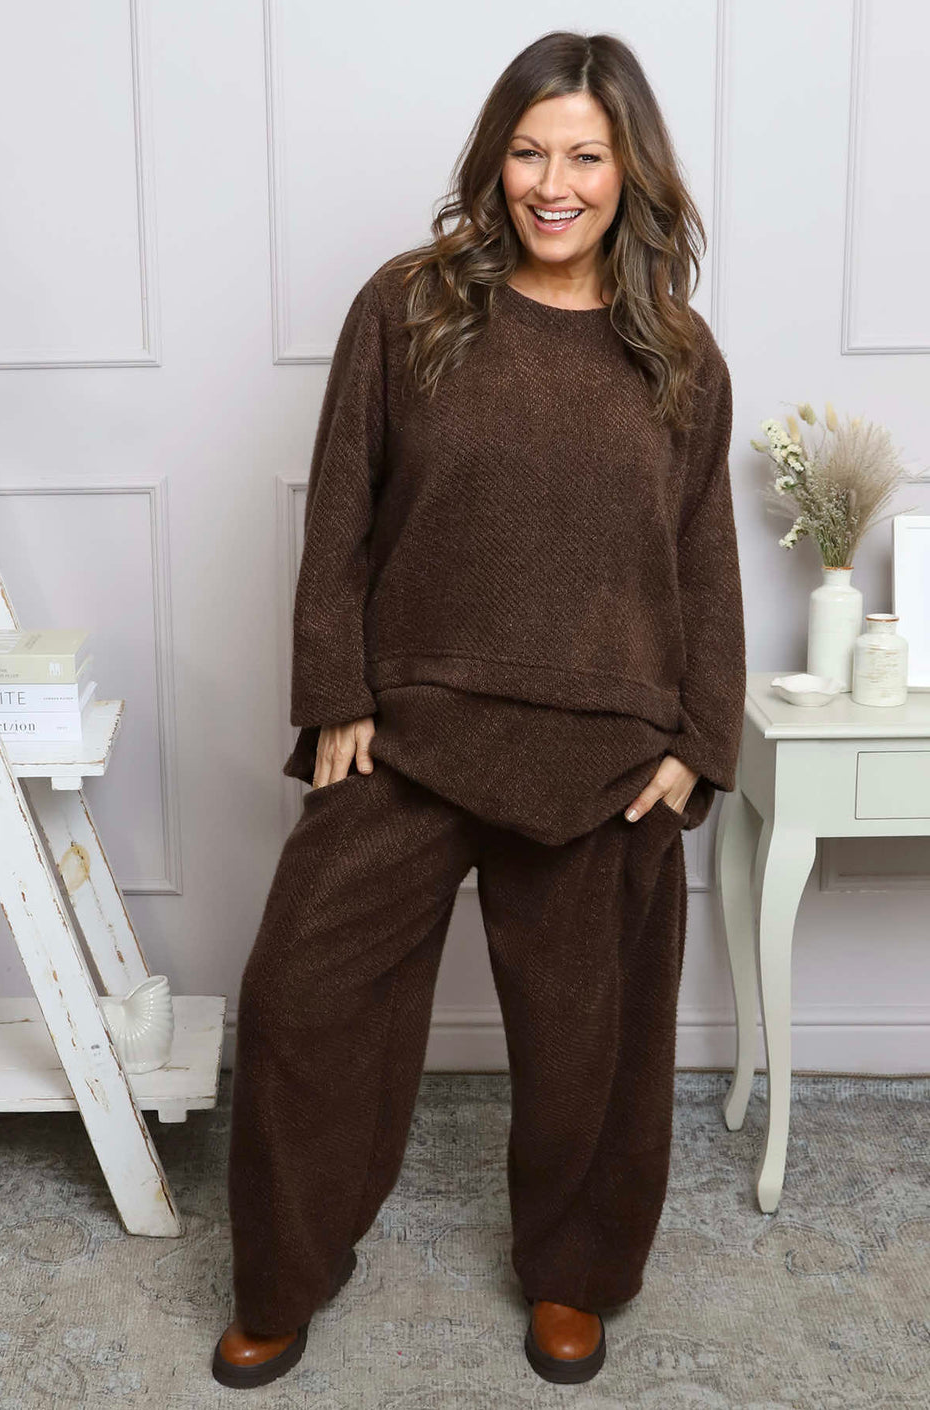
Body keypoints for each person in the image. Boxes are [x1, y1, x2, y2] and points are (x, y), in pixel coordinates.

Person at [213, 28, 746, 1391]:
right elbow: (340, 505)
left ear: (631, 172)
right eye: (528, 152)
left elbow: (702, 554)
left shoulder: (680, 356)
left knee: (592, 1048)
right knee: (300, 997)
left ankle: (576, 1274)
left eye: (586, 156)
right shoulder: (410, 307)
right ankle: (284, 1272)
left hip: (608, 753)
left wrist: (699, 743)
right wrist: (334, 686)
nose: (553, 185)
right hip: (410, 731)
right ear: (494, 160)